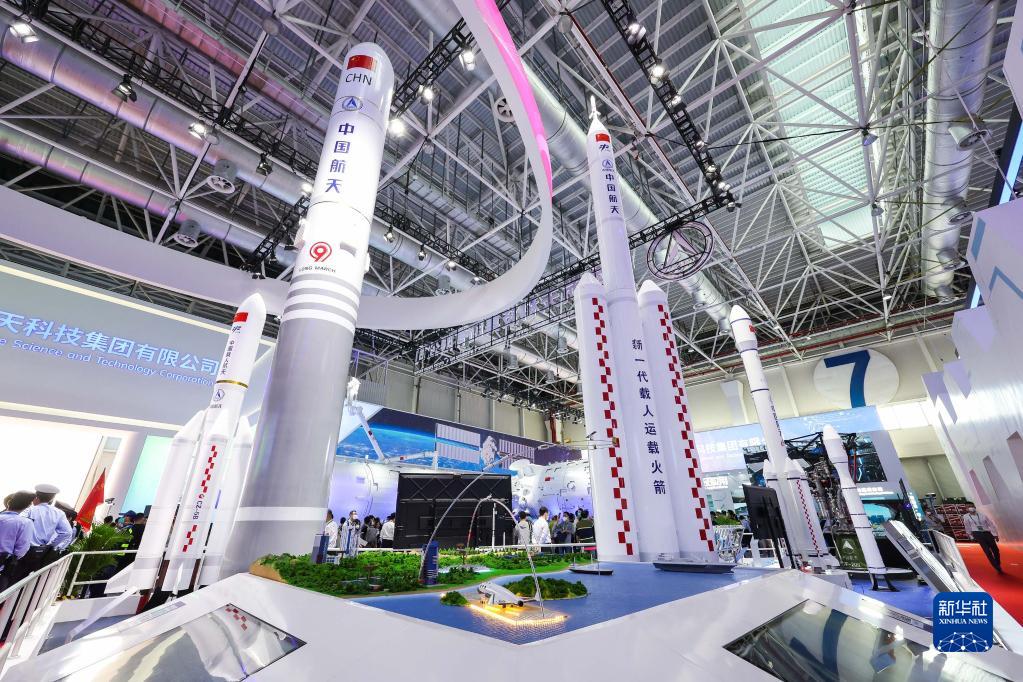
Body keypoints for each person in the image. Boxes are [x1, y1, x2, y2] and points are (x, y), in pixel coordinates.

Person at [20, 484, 74, 574]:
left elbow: (20, 524)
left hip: (22, 549)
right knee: (29, 578)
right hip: (40, 552)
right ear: (52, 499)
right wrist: (51, 546)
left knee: (12, 578)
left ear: (36, 496)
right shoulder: (59, 513)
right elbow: (67, 532)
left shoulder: (29, 510)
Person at [0, 491, 36, 590]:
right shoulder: (25, 523)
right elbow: (22, 549)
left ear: (9, 502)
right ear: (27, 506)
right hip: (3, 565)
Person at [963, 505, 1003, 573]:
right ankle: (996, 567)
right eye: (968, 507)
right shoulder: (966, 517)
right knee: (987, 551)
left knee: (996, 550)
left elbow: (991, 524)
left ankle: (997, 563)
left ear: (975, 507)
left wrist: (995, 535)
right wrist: (971, 536)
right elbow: (967, 527)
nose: (971, 508)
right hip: (977, 534)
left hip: (987, 533)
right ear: (967, 509)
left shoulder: (982, 515)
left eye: (972, 506)